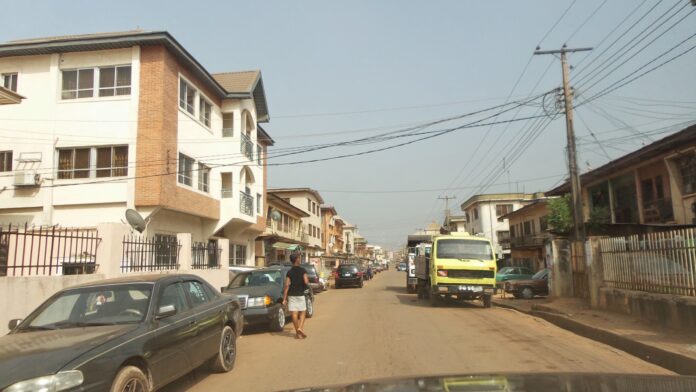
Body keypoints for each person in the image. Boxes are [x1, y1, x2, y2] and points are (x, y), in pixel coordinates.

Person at [282, 253, 310, 339]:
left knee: (294, 313)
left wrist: (284, 299)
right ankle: (300, 328)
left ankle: (297, 332)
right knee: (303, 311)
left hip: (291, 295)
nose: (300, 259)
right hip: (300, 294)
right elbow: (306, 282)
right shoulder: (302, 270)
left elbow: (287, 285)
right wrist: (306, 283)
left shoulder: (289, 272)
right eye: (299, 258)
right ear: (297, 259)